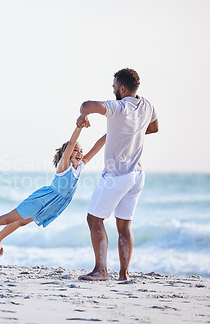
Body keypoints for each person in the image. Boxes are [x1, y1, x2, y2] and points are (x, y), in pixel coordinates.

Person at [0, 125, 106, 257]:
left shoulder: (80, 167)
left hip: (49, 206)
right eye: (75, 150)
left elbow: (97, 147)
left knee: (21, 222)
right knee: (6, 218)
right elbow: (72, 141)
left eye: (81, 151)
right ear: (66, 153)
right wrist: (79, 126)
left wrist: (114, 130)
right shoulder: (64, 166)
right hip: (41, 201)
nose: (79, 153)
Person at [76, 68, 158, 281]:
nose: (113, 90)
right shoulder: (147, 105)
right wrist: (131, 133)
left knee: (94, 219)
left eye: (114, 87)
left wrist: (82, 117)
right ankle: (124, 274)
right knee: (124, 225)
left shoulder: (118, 107)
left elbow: (87, 105)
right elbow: (155, 128)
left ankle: (101, 270)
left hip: (116, 176)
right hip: (137, 176)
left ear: (122, 88)